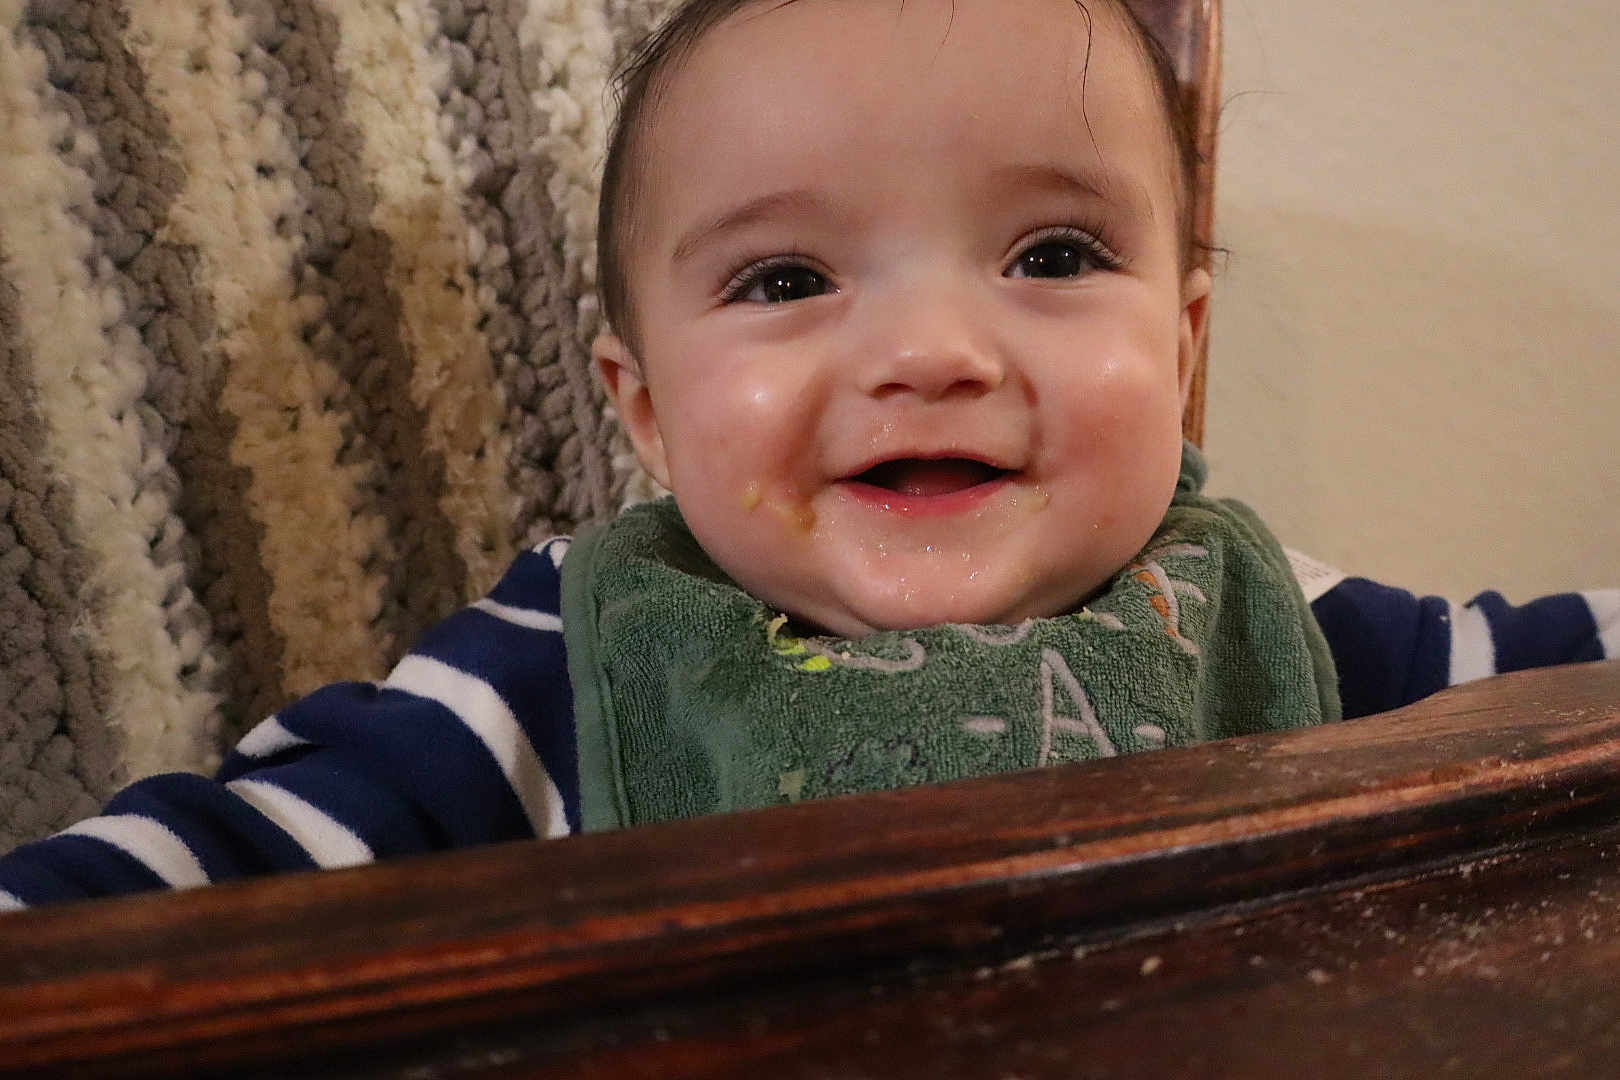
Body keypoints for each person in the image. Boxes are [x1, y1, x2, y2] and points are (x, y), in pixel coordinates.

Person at [1, 0, 1613, 909]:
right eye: (785, 280)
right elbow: (233, 865)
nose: (931, 352)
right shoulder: (575, 649)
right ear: (645, 411)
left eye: (1053, 255)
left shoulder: (1263, 612)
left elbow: (1561, 685)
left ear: (1182, 353)